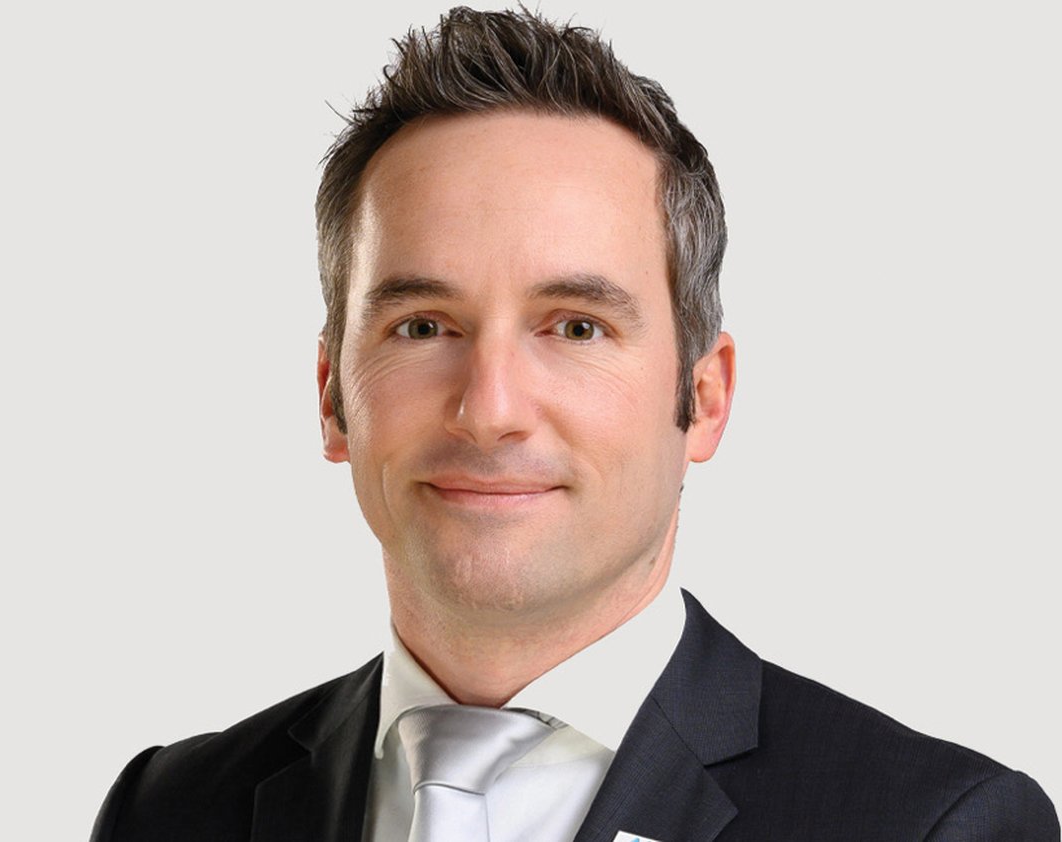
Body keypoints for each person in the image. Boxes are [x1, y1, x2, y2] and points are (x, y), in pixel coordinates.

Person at [90, 7, 1058, 840]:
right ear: (330, 393)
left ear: (704, 397)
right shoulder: (168, 810)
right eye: (422, 326)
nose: (490, 410)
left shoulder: (929, 824)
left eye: (576, 326)